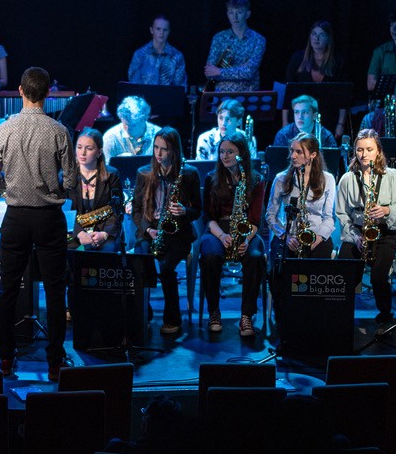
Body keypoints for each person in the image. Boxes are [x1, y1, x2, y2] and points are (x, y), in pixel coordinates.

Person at [0, 67, 78, 381]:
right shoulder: (59, 130)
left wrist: (9, 189)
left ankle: (6, 359)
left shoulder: (5, 129)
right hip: (49, 217)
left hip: (16, 217)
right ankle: (54, 363)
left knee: (8, 288)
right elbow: (72, 180)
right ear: (48, 94)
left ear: (21, 92)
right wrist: (55, 190)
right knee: (54, 291)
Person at [133, 128, 202, 337]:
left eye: (164, 149)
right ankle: (144, 313)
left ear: (174, 150)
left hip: (178, 232)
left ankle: (172, 318)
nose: (159, 153)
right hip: (151, 229)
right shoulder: (144, 173)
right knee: (139, 261)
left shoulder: (189, 174)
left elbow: (198, 211)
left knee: (165, 267)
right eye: (156, 148)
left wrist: (184, 211)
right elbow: (137, 210)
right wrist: (148, 229)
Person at [336, 130, 396, 325]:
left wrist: (386, 210)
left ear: (378, 151)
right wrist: (354, 236)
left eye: (369, 149)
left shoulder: (392, 175)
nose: (364, 154)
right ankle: (341, 316)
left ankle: (385, 315)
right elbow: (341, 214)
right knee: (344, 273)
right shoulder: (347, 179)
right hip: (358, 233)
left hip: (384, 234)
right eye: (359, 150)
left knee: (378, 277)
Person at [200, 131, 266, 336]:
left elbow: (256, 219)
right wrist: (221, 236)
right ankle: (214, 312)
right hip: (218, 229)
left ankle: (246, 315)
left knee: (255, 256)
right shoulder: (212, 178)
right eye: (221, 152)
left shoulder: (256, 179)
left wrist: (246, 239)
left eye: (230, 151)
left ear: (242, 153)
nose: (225, 156)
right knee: (210, 255)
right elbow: (207, 217)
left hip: (247, 230)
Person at [265, 133, 336, 260]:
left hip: (316, 235)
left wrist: (318, 238)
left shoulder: (328, 179)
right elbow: (270, 215)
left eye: (299, 152)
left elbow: (329, 217)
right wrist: (285, 236)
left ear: (313, 155)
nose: (293, 156)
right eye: (292, 151)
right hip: (289, 236)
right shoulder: (280, 179)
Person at [284, 20, 348, 136]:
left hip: (328, 118)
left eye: (321, 35)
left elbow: (343, 97)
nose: (316, 38)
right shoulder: (298, 58)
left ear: (328, 38)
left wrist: (340, 124)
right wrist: (285, 122)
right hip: (301, 118)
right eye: (313, 34)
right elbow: (287, 93)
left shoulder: (337, 61)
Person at [68, 128, 122, 252]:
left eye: (89, 148)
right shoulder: (66, 176)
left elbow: (117, 209)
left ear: (99, 152)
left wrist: (105, 234)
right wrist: (80, 234)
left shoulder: (112, 175)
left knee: (108, 249)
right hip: (74, 232)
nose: (82, 153)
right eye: (79, 147)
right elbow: (63, 211)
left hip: (102, 232)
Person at [204, 0, 266, 93]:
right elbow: (209, 72)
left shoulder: (258, 39)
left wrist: (219, 71)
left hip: (249, 95)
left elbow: (249, 72)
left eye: (239, 12)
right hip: (223, 95)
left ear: (247, 14)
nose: (235, 17)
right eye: (231, 13)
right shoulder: (219, 38)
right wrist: (240, 70)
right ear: (227, 14)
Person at [127, 15, 187, 87]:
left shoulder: (177, 56)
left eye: (165, 30)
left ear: (169, 32)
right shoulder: (139, 54)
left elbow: (180, 86)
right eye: (158, 29)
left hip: (168, 94)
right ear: (151, 30)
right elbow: (134, 84)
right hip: (144, 94)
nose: (161, 33)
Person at [101, 95, 160, 162]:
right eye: (125, 124)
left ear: (144, 119)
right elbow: (104, 167)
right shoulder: (110, 138)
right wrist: (118, 161)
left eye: (133, 125)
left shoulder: (158, 135)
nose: (128, 129)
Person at [271, 94, 338, 149]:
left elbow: (332, 161)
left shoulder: (326, 136)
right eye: (297, 112)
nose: (300, 117)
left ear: (314, 115)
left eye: (305, 112)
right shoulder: (283, 135)